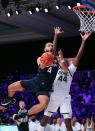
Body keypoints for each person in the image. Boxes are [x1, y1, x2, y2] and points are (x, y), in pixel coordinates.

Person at [1, 27, 64, 116]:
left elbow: (54, 49)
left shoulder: (57, 59)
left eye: (52, 45)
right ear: (45, 49)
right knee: (10, 88)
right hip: (35, 82)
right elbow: (40, 68)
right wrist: (44, 64)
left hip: (44, 87)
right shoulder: (40, 58)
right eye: (48, 45)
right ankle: (10, 99)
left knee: (44, 104)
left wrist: (56, 35)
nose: (51, 46)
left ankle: (25, 114)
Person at [38, 32, 92, 131]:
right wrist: (56, 35)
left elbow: (78, 56)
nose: (66, 60)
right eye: (64, 60)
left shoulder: (71, 69)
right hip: (53, 94)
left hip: (65, 97)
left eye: (67, 60)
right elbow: (54, 52)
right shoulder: (57, 67)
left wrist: (83, 41)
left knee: (68, 122)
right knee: (45, 118)